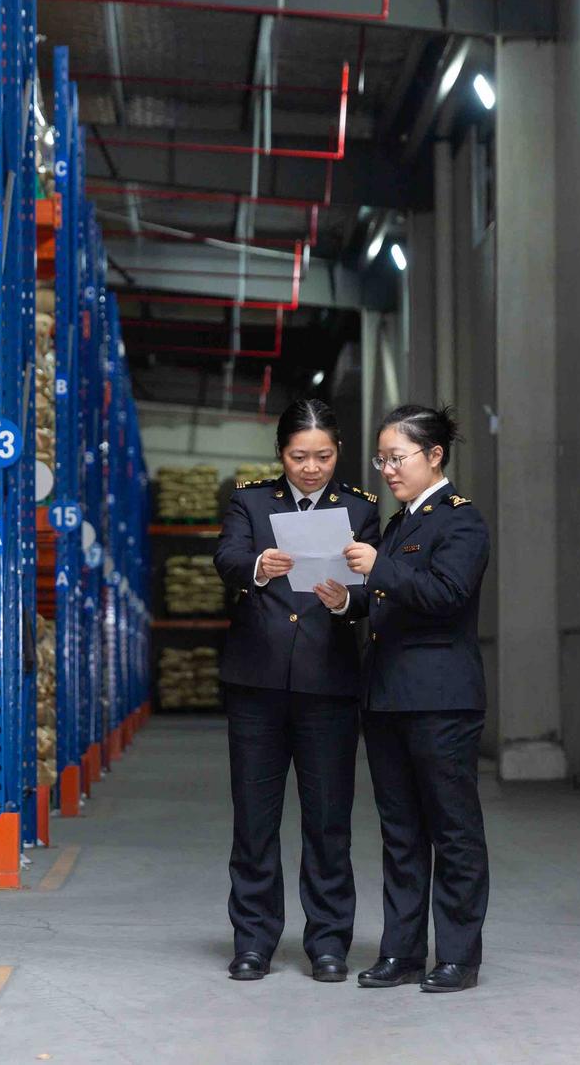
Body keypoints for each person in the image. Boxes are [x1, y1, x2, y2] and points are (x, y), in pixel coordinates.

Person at [213, 397, 381, 983]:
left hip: (327, 683)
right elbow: (227, 557)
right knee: (254, 820)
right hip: (256, 683)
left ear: (339, 453)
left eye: (323, 456)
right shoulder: (251, 501)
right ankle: (253, 940)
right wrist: (260, 564)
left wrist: (347, 600)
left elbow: (374, 588)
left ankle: (328, 941)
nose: (311, 468)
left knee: (329, 821)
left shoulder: (359, 508)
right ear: (280, 454)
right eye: (299, 456)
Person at [341, 404, 491, 994]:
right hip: (387, 698)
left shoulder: (461, 521)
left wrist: (378, 569)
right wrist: (346, 601)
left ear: (434, 456)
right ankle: (402, 953)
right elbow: (389, 598)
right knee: (400, 832)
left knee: (452, 831)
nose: (387, 470)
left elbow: (447, 595)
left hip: (440, 700)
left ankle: (458, 956)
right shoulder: (399, 523)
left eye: (396, 458)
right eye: (381, 459)